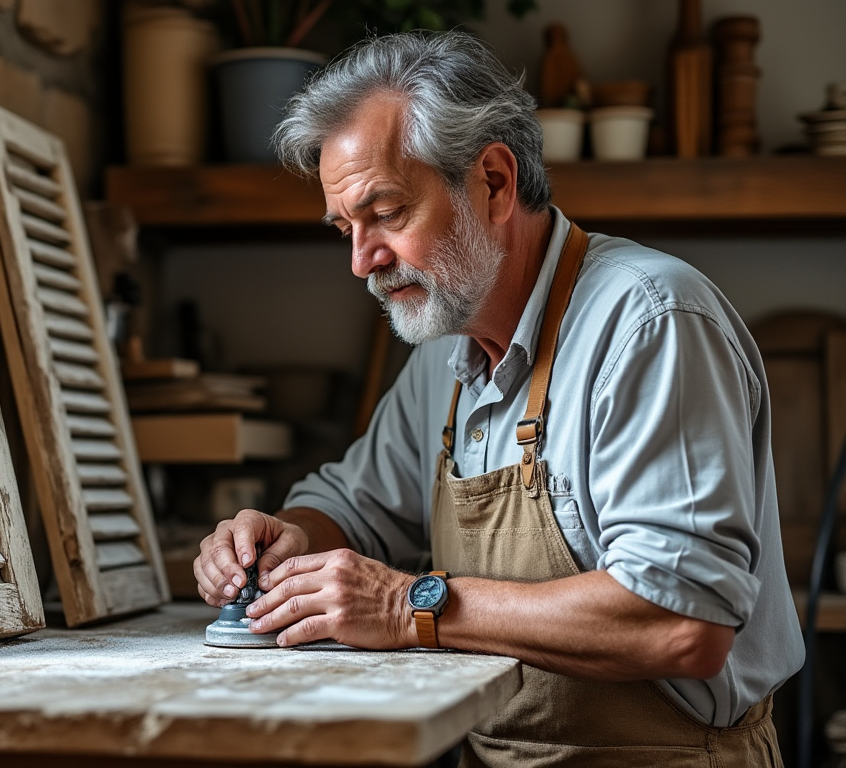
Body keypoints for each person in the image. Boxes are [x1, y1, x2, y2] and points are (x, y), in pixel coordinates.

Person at [192, 30, 802, 766]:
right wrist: (285, 538)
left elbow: (682, 623)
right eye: (345, 228)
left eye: (387, 212)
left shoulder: (649, 322)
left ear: (493, 182)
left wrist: (405, 605)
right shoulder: (445, 348)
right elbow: (356, 507)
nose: (361, 262)